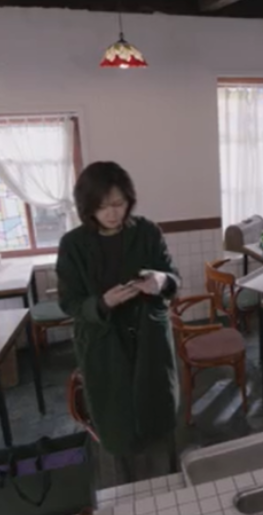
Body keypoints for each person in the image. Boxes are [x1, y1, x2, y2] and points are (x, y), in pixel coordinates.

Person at [56, 161, 181, 483]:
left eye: (118, 203)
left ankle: (169, 486)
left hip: (149, 339)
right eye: (102, 206)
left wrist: (161, 281)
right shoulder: (73, 245)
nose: (112, 213)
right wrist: (102, 303)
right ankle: (125, 490)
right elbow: (69, 302)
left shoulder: (147, 232)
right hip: (103, 343)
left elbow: (173, 279)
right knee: (116, 422)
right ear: (88, 207)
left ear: (129, 200)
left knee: (157, 415)